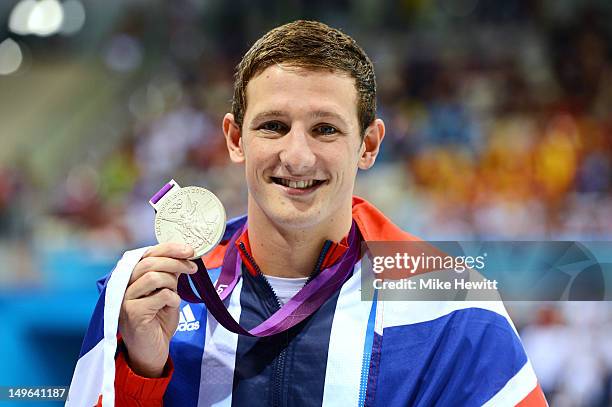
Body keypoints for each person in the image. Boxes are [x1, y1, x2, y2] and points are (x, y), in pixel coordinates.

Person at [72, 20, 547, 406]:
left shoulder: (449, 310)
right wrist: (141, 374)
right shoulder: (157, 295)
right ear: (236, 139)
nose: (297, 156)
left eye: (324, 129)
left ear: (369, 144)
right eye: (274, 126)